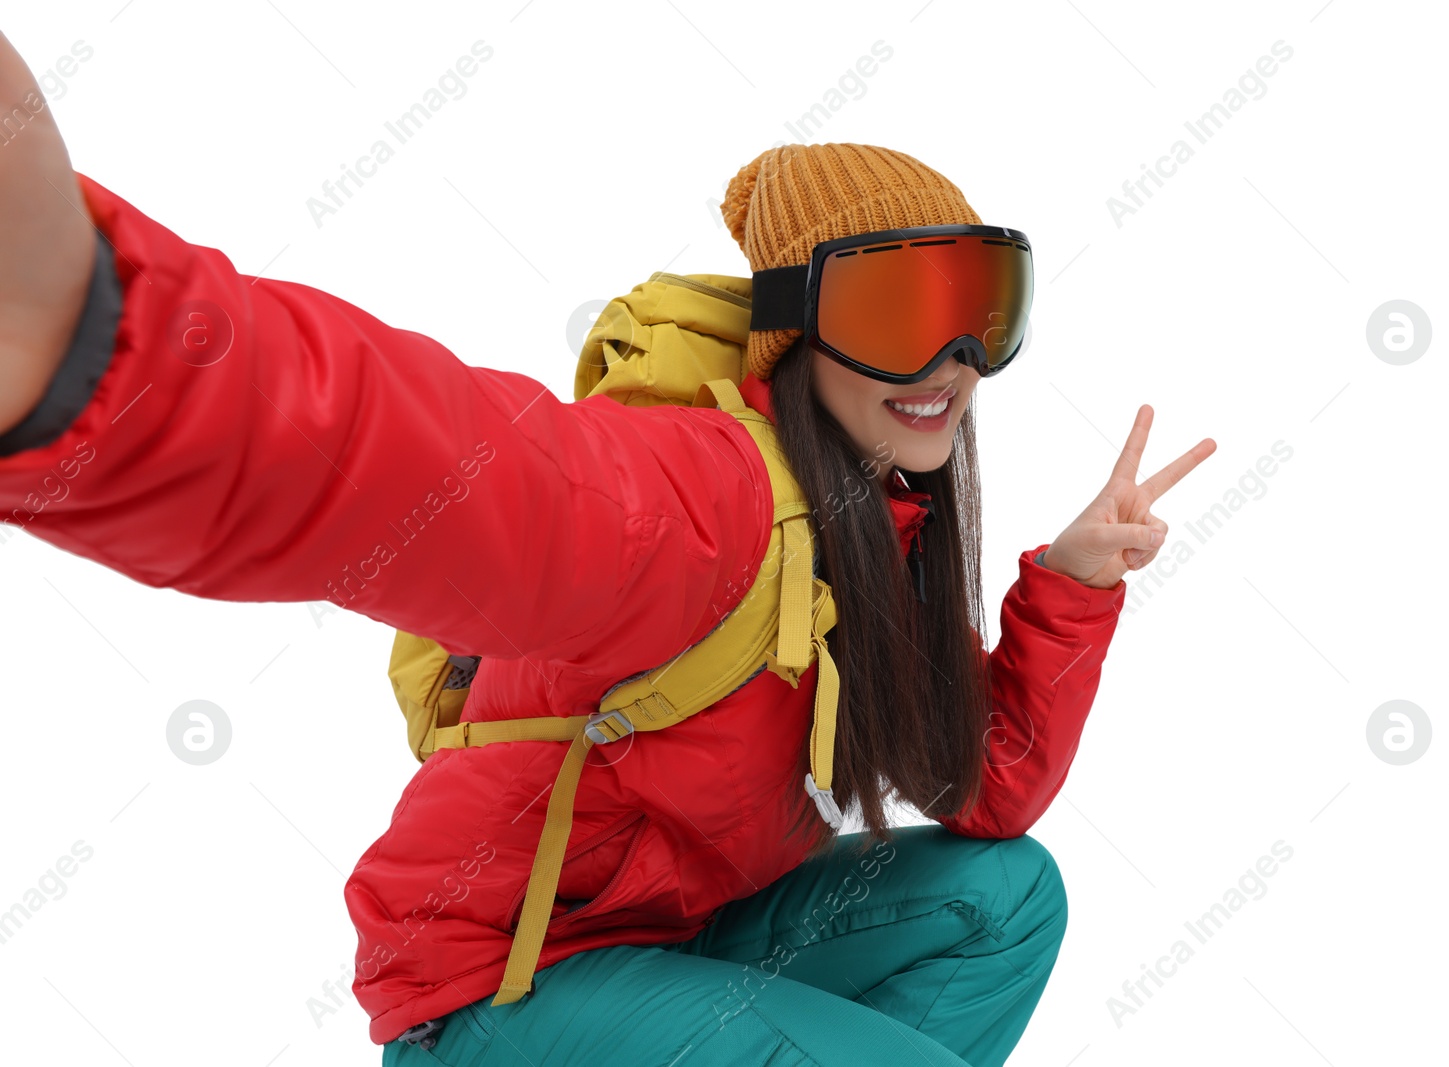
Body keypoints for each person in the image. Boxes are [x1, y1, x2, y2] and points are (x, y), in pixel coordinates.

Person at [0, 31, 1215, 1066]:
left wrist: (1070, 589)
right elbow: (449, 474)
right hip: (491, 996)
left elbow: (990, 789)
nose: (948, 364)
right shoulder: (700, 493)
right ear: (795, 326)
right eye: (898, 314)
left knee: (1004, 900)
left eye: (979, 311)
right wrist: (102, 351)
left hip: (672, 942)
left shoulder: (871, 527)